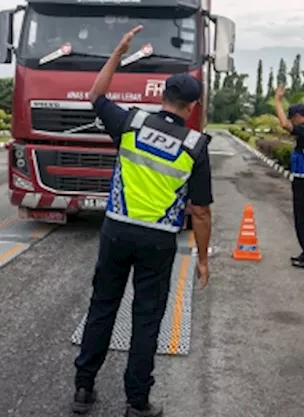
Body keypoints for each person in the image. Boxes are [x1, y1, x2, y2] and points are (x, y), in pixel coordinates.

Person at [72, 26, 213, 417]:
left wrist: (118, 52)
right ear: (192, 106)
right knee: (146, 320)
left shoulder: (130, 123)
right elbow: (200, 212)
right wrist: (202, 258)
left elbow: (96, 95)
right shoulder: (195, 146)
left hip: (117, 230)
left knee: (103, 306)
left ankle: (83, 389)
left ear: (163, 97)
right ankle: (137, 404)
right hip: (159, 241)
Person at [273, 84, 304, 270]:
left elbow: (284, 124)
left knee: (302, 219)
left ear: (297, 117)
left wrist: (277, 100)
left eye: (293, 119)